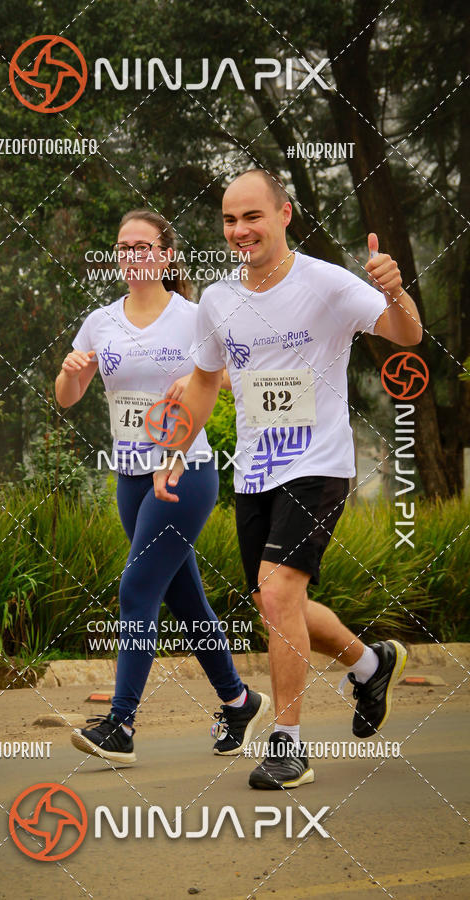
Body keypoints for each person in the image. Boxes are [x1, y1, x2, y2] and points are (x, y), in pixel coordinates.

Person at [154, 170, 422, 789]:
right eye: (229, 220)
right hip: (256, 470)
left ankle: (288, 743)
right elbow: (202, 381)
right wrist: (176, 450)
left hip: (320, 465)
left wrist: (397, 292)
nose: (240, 230)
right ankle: (369, 663)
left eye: (253, 216)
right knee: (280, 603)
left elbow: (406, 335)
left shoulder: (326, 284)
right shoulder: (219, 301)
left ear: (284, 215)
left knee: (276, 596)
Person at [55, 208, 270, 765]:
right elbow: (67, 396)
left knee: (136, 588)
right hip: (130, 478)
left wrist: (196, 378)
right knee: (185, 599)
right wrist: (73, 372)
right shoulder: (101, 321)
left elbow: (235, 372)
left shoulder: (194, 316)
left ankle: (121, 724)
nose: (132, 254)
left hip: (185, 473)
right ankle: (239, 700)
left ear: (166, 255)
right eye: (124, 246)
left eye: (143, 245)